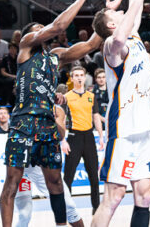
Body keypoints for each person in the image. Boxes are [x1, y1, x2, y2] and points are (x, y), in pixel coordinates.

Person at [0, 0, 99, 227]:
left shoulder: (55, 56)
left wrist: (106, 19)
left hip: (46, 123)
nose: (40, 33)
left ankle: (61, 224)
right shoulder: (24, 48)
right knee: (12, 183)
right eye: (36, 31)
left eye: (40, 31)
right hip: (23, 121)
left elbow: (88, 46)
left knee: (55, 183)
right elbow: (56, 27)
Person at [90, 0, 150, 227]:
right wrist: (129, 10)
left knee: (143, 195)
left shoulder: (134, 36)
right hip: (124, 130)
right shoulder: (111, 45)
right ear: (110, 25)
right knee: (114, 196)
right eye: (115, 15)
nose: (121, 12)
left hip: (146, 128)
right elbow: (119, 36)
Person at [14, 95, 85, 227]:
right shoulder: (21, 108)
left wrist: (49, 116)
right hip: (23, 166)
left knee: (69, 207)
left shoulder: (57, 110)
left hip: (42, 165)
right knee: (24, 215)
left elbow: (61, 135)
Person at [63, 65, 105, 213]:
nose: (79, 77)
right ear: (72, 78)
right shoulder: (66, 97)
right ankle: (67, 208)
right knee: (68, 176)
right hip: (73, 137)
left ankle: (96, 207)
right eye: (76, 75)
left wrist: (100, 136)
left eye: (82, 75)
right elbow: (61, 121)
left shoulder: (91, 96)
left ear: (85, 77)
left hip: (89, 137)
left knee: (94, 175)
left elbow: (96, 117)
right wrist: (63, 140)